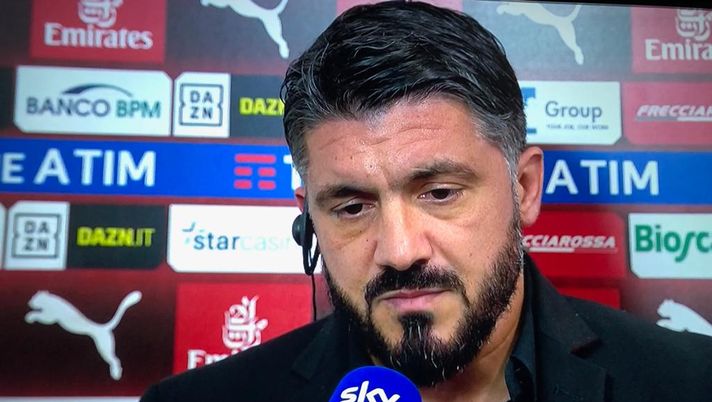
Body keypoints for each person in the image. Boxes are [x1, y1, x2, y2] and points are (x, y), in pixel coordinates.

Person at [141, 2, 712, 401]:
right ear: (307, 217)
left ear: (524, 188)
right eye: (352, 206)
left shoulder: (691, 382)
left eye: (439, 193)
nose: (399, 251)